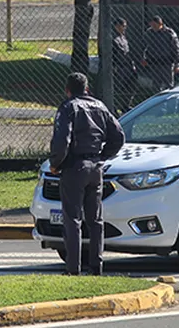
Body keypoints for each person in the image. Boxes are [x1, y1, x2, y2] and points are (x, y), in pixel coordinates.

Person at [49, 72, 125, 276]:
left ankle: (73, 268)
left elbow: (61, 141)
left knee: (72, 219)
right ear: (87, 88)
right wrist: (103, 156)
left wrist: (56, 163)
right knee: (95, 220)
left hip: (75, 166)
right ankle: (96, 266)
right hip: (95, 167)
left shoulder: (68, 107)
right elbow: (118, 136)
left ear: (67, 90)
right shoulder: (100, 106)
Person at [141, 15, 179, 92]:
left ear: (160, 24)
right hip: (154, 62)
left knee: (169, 85)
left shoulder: (169, 33)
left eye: (154, 25)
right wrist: (143, 58)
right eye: (151, 25)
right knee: (156, 86)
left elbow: (176, 48)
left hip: (167, 62)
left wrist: (177, 63)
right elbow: (143, 46)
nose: (153, 27)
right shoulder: (149, 33)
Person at [111, 18, 137, 114]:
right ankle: (113, 107)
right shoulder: (112, 37)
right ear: (117, 26)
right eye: (123, 26)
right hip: (119, 66)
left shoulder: (123, 37)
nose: (125, 28)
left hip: (127, 66)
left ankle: (125, 105)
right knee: (117, 88)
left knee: (130, 87)